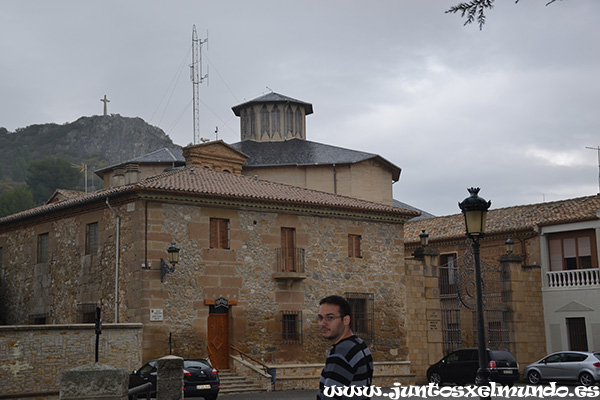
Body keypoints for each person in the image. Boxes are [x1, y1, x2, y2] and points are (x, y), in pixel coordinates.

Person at [316, 295, 373, 400]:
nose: (323, 323)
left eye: (330, 318)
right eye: (320, 318)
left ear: (346, 320)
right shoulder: (360, 345)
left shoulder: (341, 353)